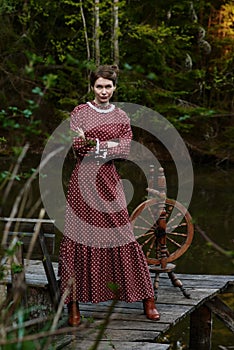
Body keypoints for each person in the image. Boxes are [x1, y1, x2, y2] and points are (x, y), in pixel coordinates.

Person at [58, 64, 160, 326]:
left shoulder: (122, 116)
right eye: (99, 86)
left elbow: (125, 150)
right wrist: (108, 145)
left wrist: (98, 145)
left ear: (115, 88)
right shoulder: (79, 112)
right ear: (92, 87)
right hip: (82, 182)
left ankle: (147, 298)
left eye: (108, 86)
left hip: (109, 181)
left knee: (123, 235)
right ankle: (73, 307)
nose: (104, 91)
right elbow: (79, 148)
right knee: (78, 238)